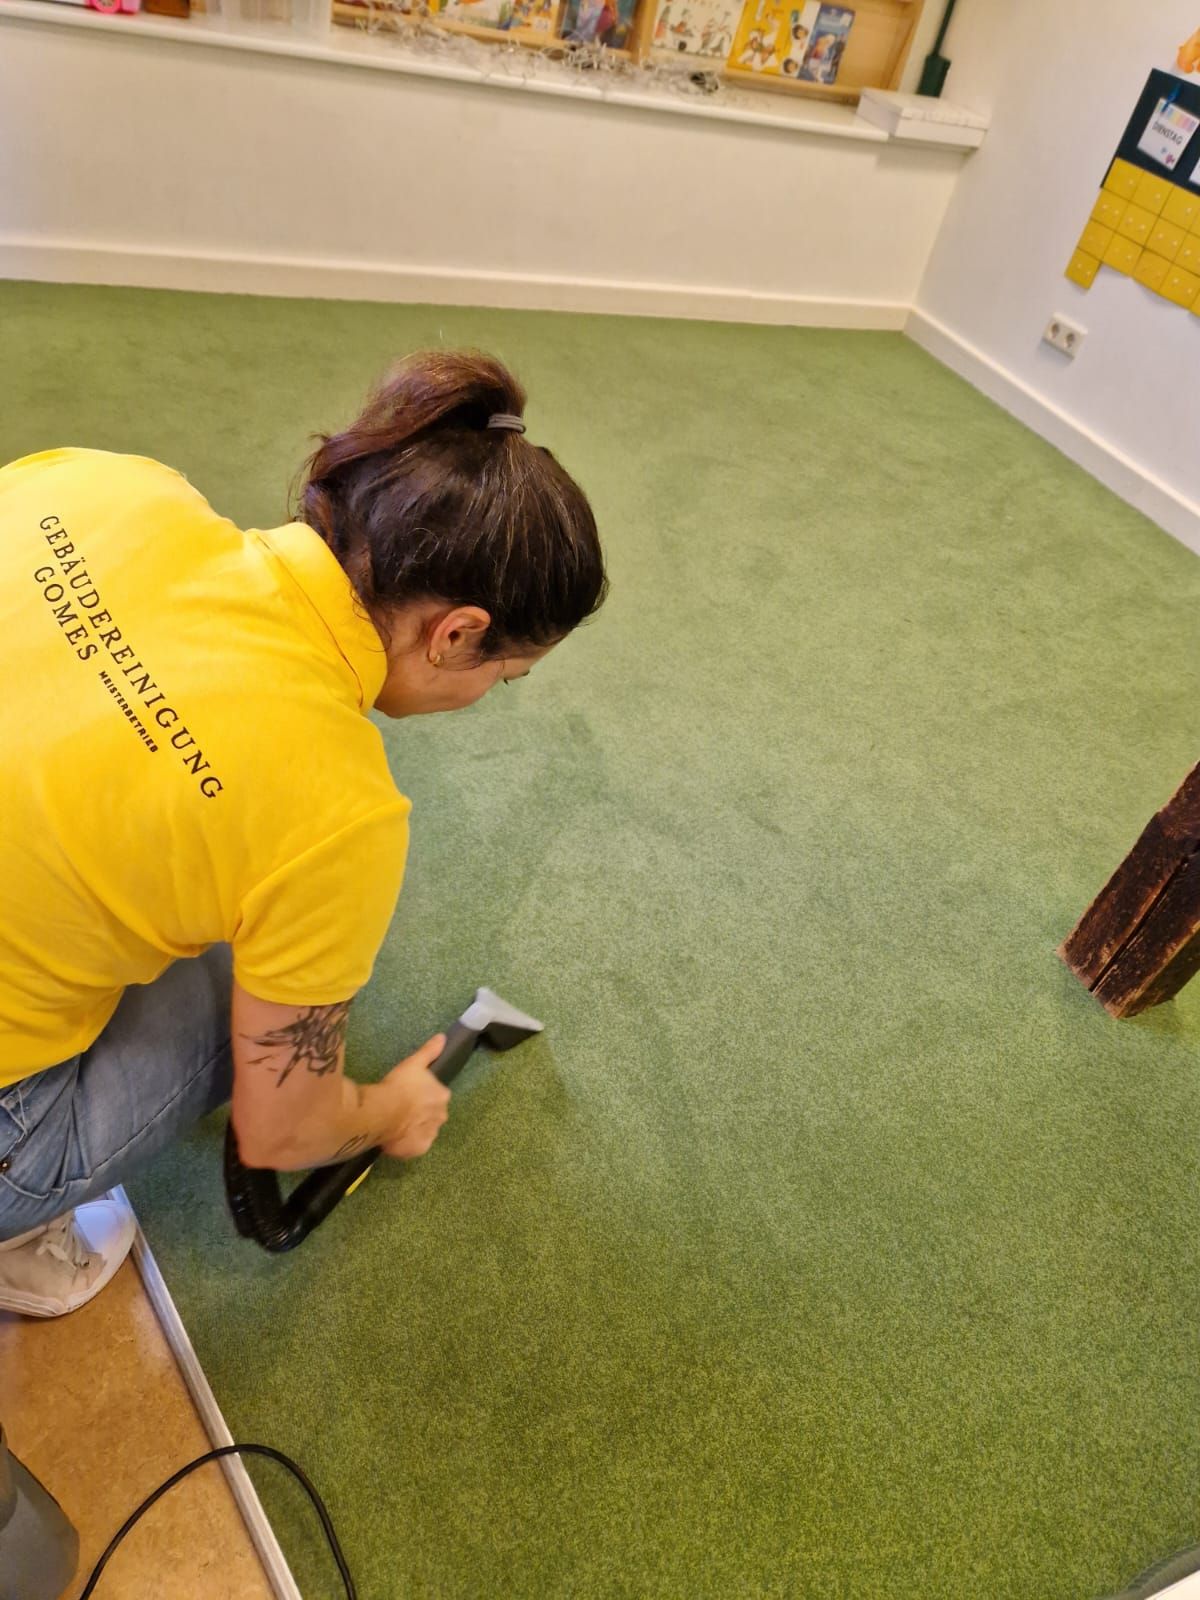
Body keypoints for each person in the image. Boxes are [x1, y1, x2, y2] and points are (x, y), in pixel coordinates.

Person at [0, 350, 607, 1318]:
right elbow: (283, 1130)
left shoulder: (106, 484)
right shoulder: (341, 816)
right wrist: (388, 1110)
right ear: (456, 633)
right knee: (245, 980)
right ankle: (17, 1232)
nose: (490, 693)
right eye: (505, 675)